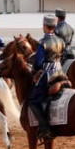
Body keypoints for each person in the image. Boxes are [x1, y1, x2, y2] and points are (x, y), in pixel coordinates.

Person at [28, 14, 65, 142]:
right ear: (54, 26)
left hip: (48, 74)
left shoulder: (43, 42)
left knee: (33, 100)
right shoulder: (60, 41)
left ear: (45, 26)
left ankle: (44, 127)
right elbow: (63, 56)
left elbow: (38, 63)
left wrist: (36, 69)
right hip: (60, 72)